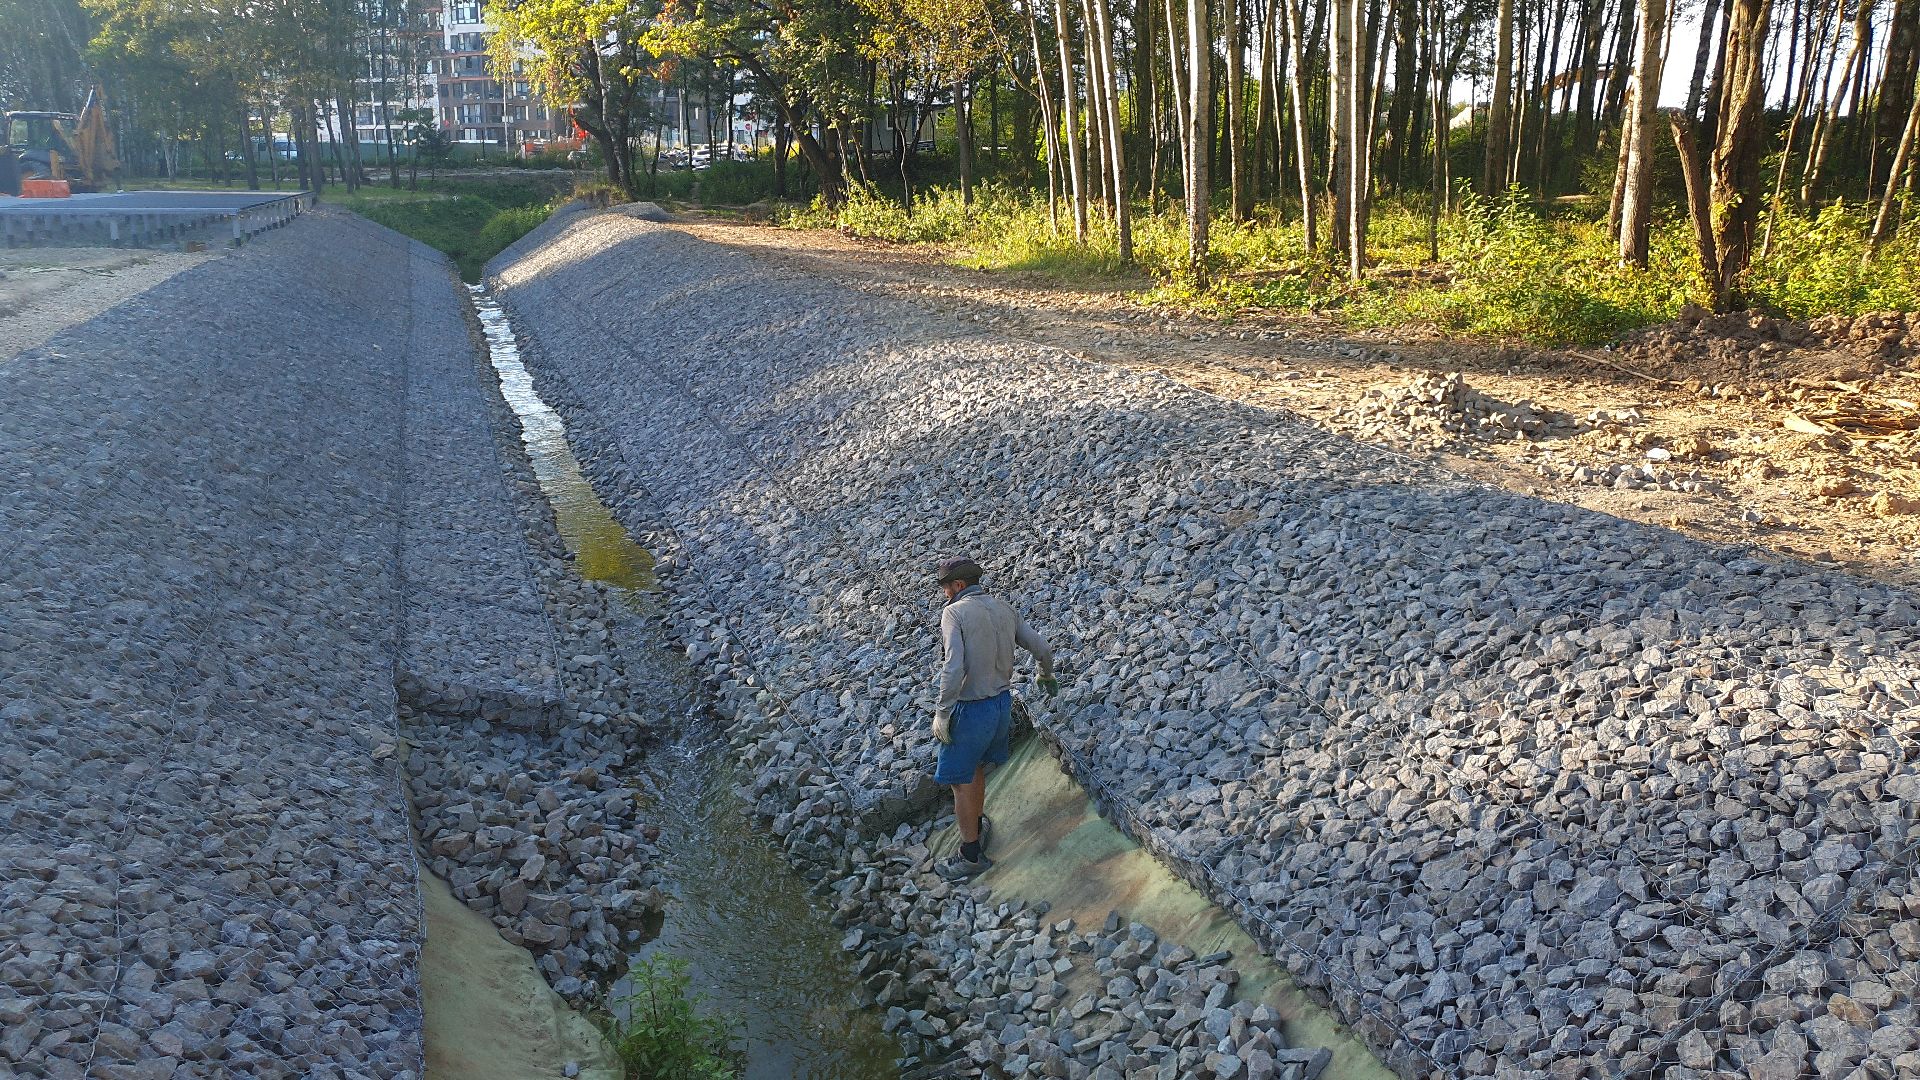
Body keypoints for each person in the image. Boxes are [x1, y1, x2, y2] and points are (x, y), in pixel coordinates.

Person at [930, 555, 1058, 880]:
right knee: (975, 770)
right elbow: (1042, 648)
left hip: (970, 709)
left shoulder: (954, 613)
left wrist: (942, 713)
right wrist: (1044, 675)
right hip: (1000, 705)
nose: (945, 594)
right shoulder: (1003, 608)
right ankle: (975, 825)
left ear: (958, 586)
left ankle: (970, 854)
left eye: (946, 588)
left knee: (960, 782)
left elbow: (953, 667)